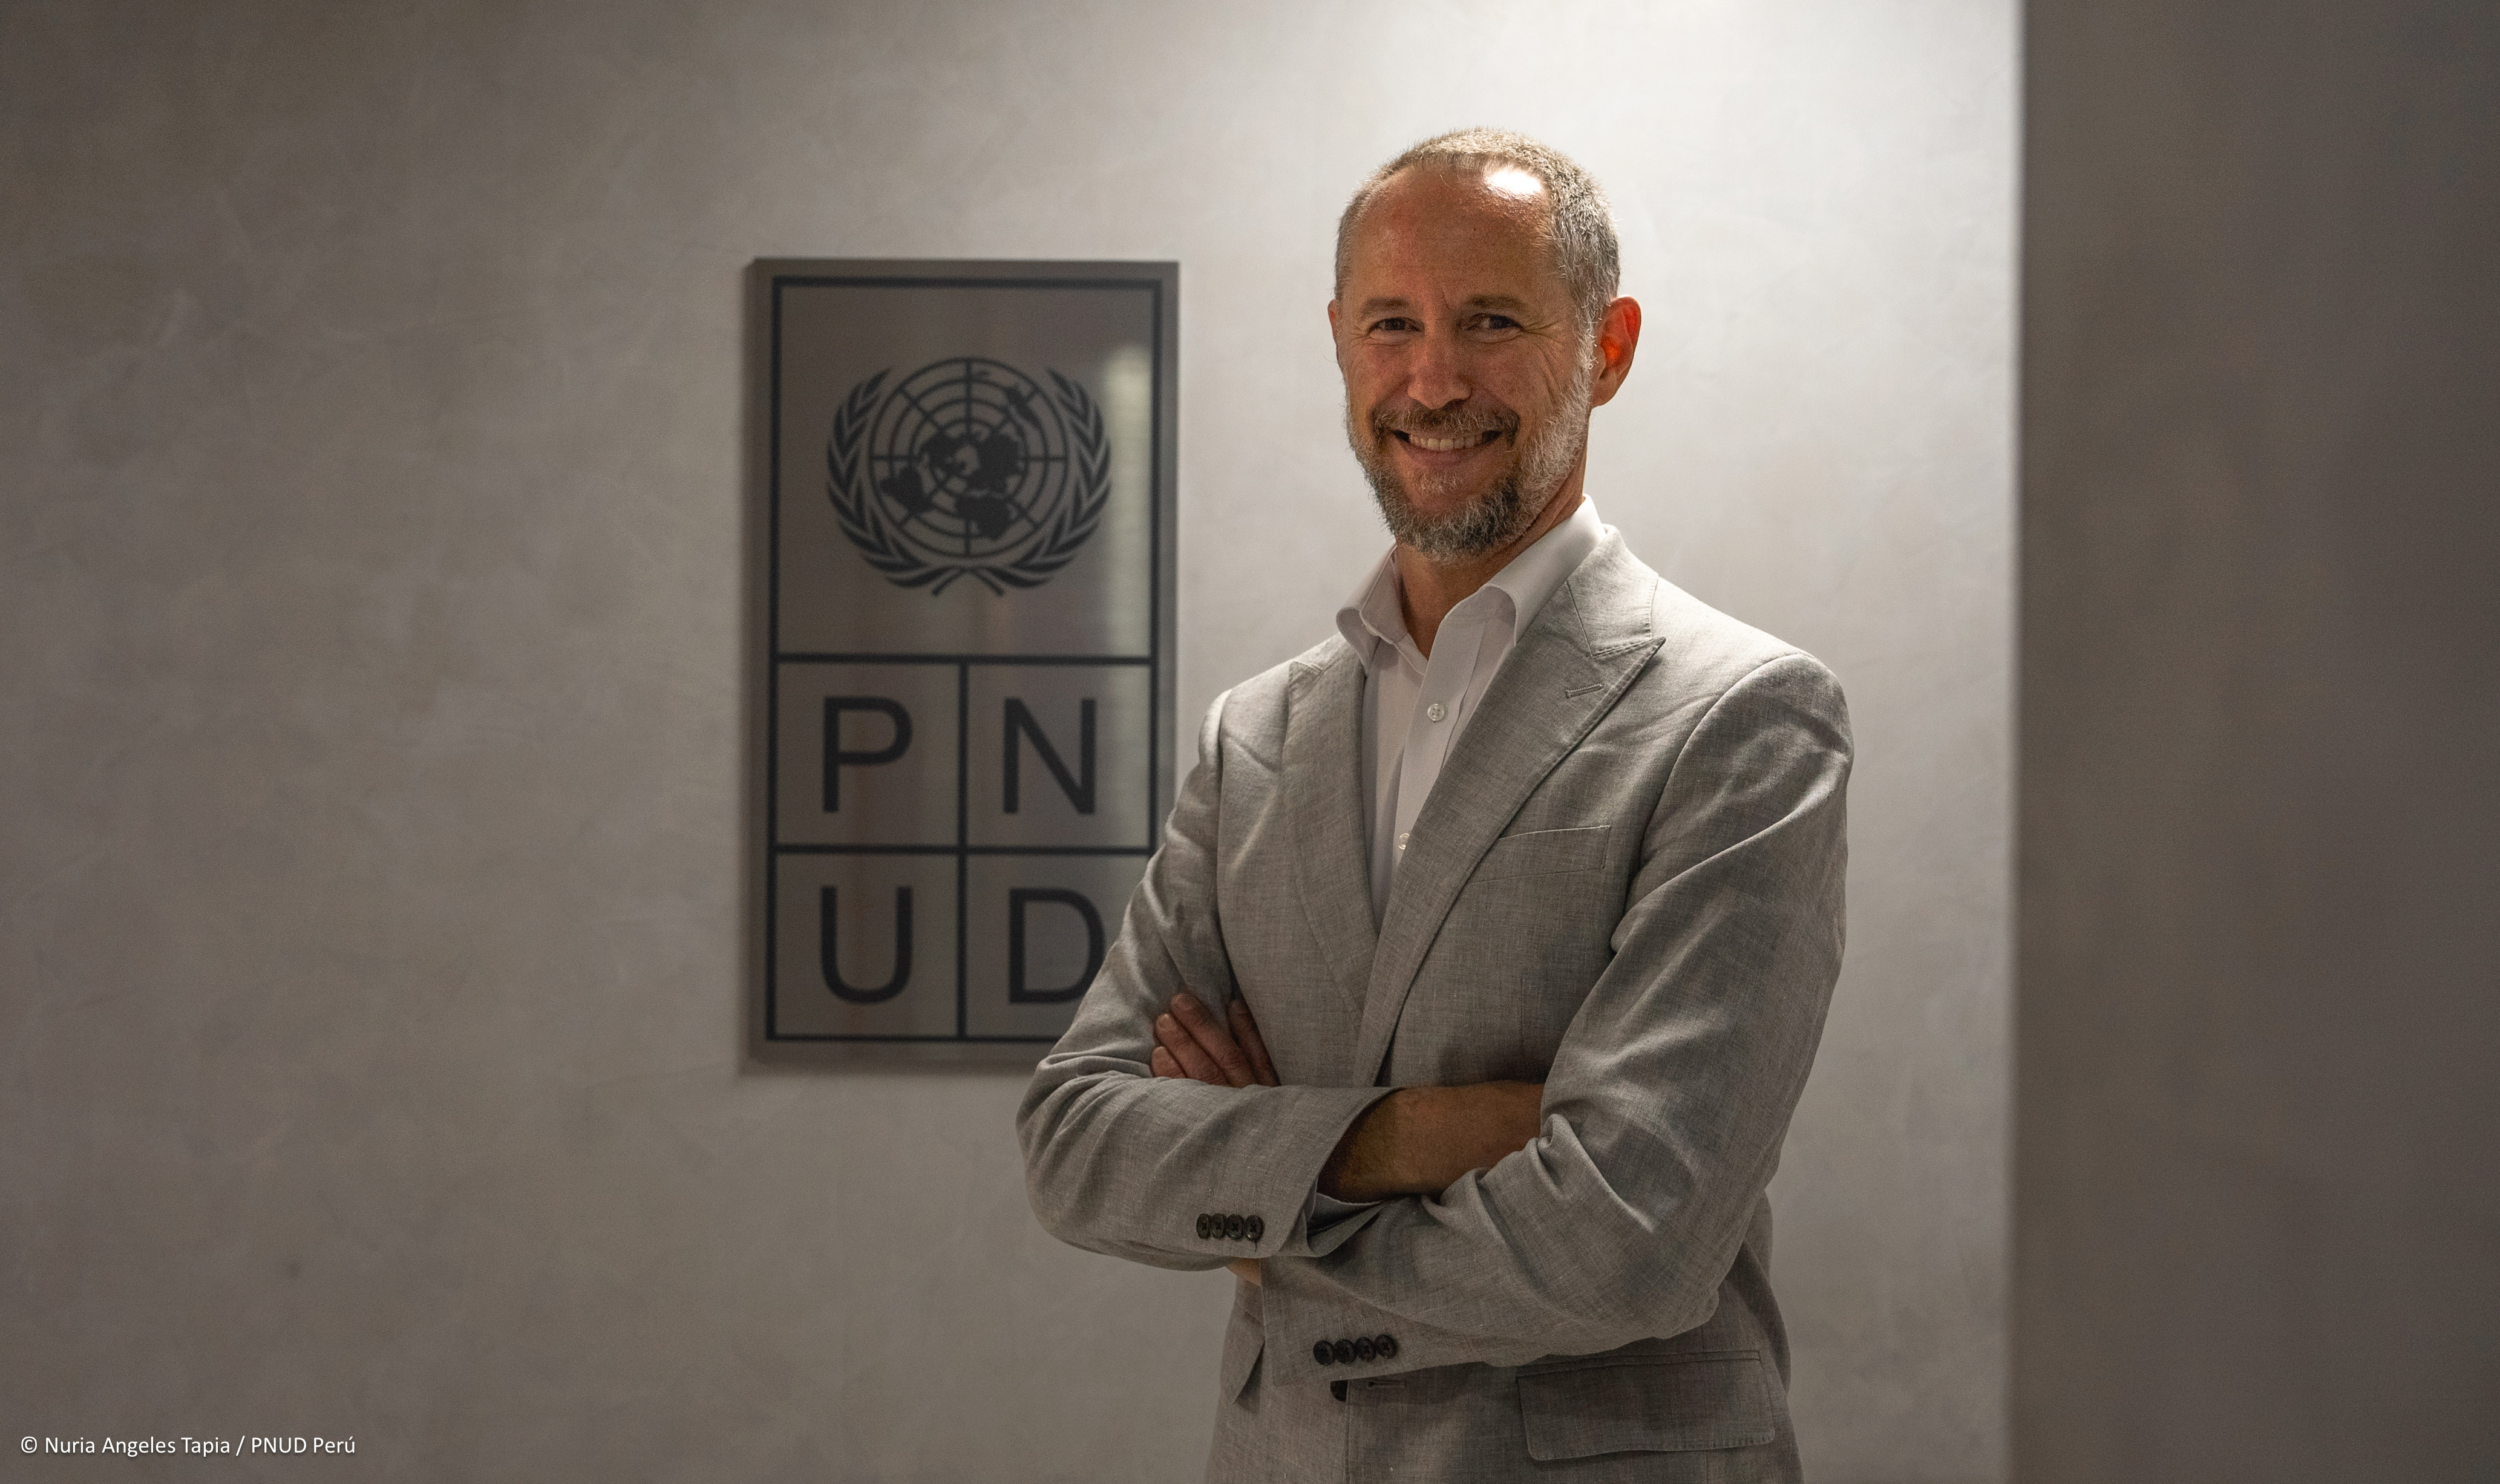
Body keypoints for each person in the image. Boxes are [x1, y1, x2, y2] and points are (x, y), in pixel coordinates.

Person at [1016, 128, 1851, 1483]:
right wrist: (1409, 1135)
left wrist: (1266, 1212)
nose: (1431, 378)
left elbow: (1630, 1243)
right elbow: (1075, 1145)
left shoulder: (1742, 715)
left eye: (1490, 322)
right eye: (1392, 323)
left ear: (1607, 347)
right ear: (1340, 344)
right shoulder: (1256, 737)